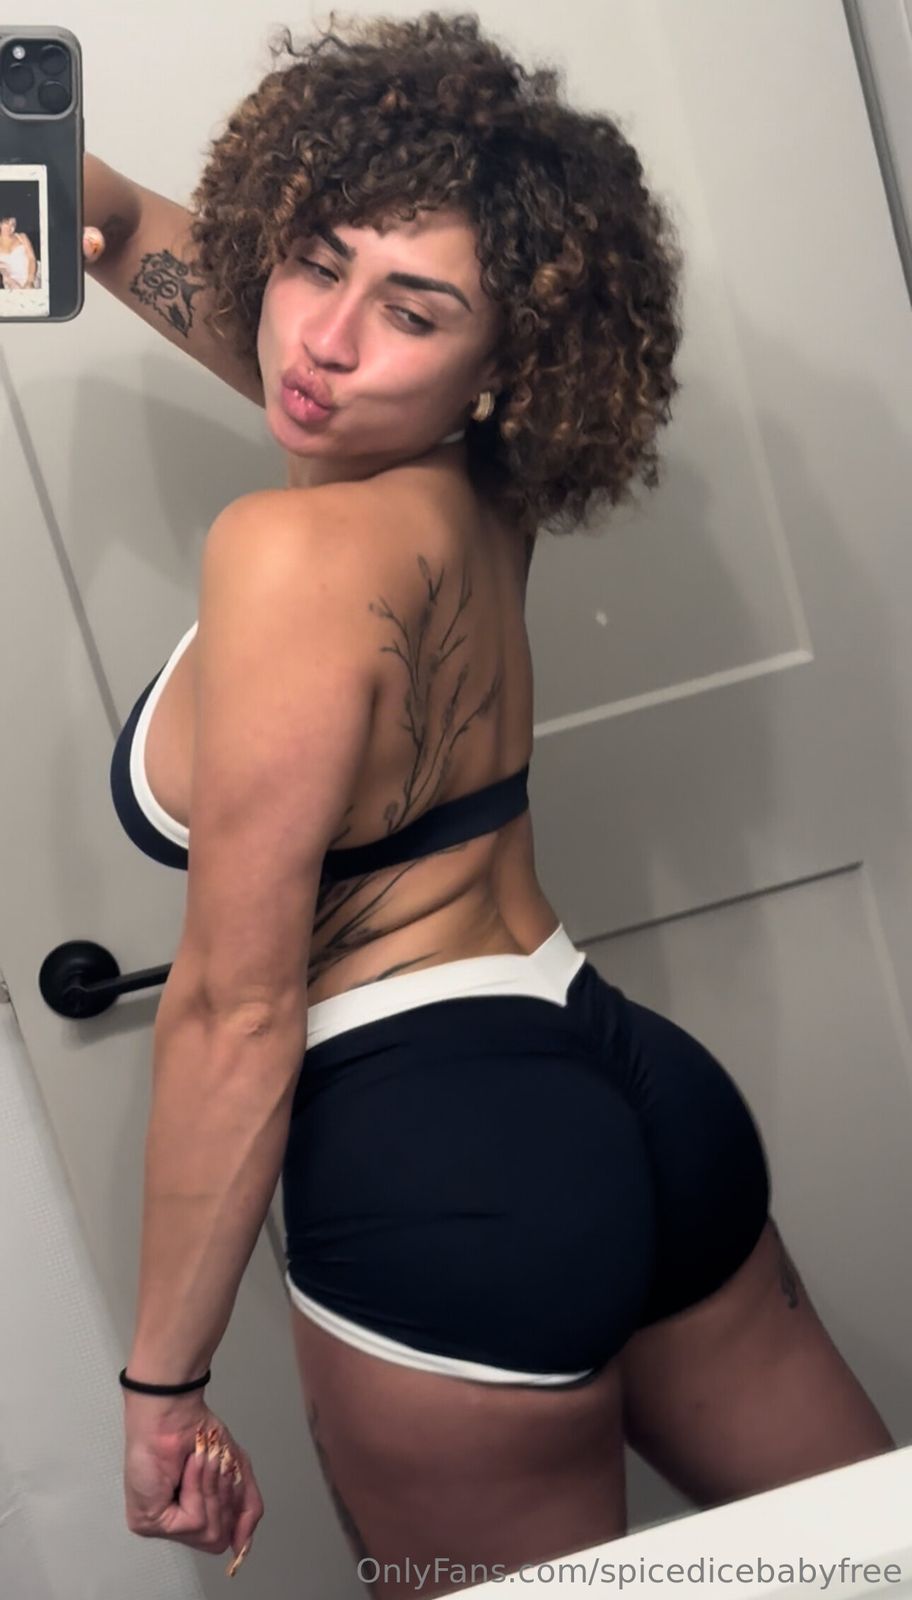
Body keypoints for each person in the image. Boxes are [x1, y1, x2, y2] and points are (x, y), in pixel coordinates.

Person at [87, 12, 894, 1594]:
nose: (322, 342)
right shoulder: (474, 478)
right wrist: (52, 185)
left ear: (501, 364)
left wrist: (161, 1387)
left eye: (411, 309)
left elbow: (237, 1010)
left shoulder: (287, 552)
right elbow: (116, 224)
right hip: (636, 1091)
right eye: (313, 261)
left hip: (441, 1163)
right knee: (870, 1562)